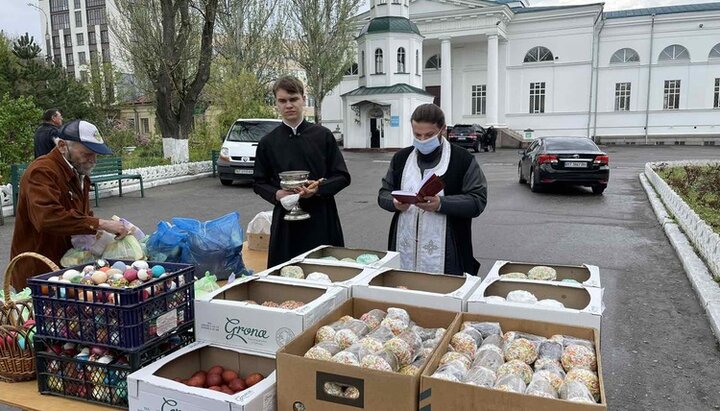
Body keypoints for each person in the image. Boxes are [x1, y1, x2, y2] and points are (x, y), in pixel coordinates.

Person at [10, 119, 129, 290]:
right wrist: (100, 224)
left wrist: (101, 236)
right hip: (39, 270)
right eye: (87, 154)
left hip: (66, 267)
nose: (92, 160)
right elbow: (47, 218)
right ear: (62, 146)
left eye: (95, 154)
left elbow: (80, 216)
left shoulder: (79, 171)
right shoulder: (42, 172)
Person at [378, 104, 487, 275]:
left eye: (428, 135)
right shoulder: (401, 159)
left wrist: (441, 204)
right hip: (403, 246)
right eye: (417, 135)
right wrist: (394, 203)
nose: (422, 140)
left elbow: (477, 200)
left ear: (442, 130)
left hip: (449, 253)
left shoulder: (462, 159)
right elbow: (383, 193)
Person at [253, 76, 351, 267]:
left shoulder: (323, 136)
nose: (288, 105)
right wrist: (277, 194)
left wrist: (318, 189)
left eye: (293, 99)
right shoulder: (268, 142)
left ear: (303, 100)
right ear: (276, 103)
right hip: (286, 222)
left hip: (322, 217)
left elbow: (342, 176)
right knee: (286, 275)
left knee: (326, 272)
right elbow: (258, 182)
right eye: (282, 101)